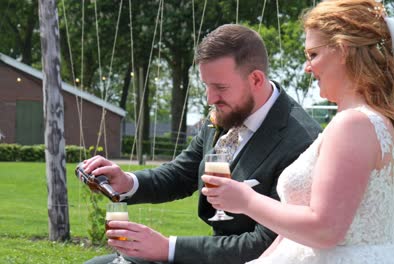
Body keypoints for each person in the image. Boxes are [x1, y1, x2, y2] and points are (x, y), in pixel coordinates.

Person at [202, 0, 394, 263]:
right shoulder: (364, 122)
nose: (307, 67)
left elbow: (325, 230)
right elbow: (293, 232)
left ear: (342, 50)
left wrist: (246, 200)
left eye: (313, 54)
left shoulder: (353, 124)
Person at [83, 24, 322, 264]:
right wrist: (127, 182)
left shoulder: (301, 142)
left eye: (220, 87)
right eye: (206, 86)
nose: (210, 98)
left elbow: (266, 245)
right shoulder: (227, 112)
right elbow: (180, 174)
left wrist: (168, 248)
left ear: (256, 79)